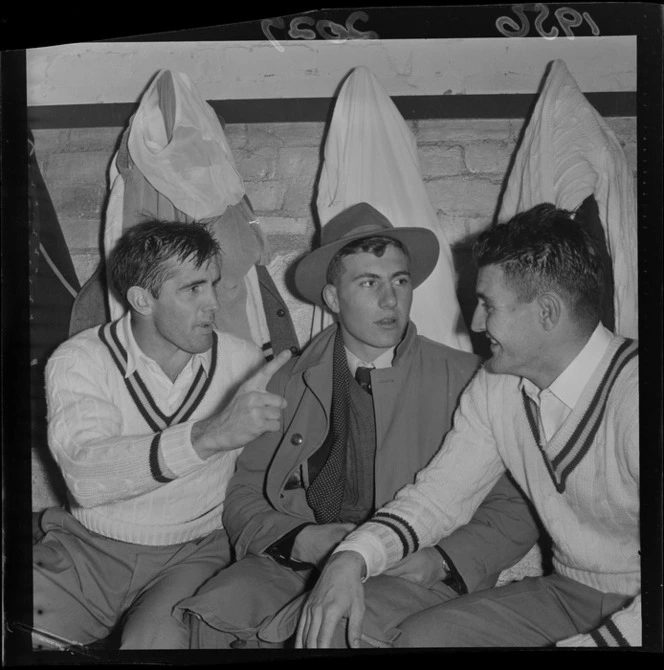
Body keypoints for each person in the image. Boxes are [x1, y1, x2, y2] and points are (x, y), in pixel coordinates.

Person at [175, 201, 541, 648]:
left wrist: (444, 560)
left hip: (413, 570)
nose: (391, 300)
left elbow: (517, 507)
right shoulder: (285, 380)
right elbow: (243, 493)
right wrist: (299, 540)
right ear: (332, 298)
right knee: (212, 615)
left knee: (335, 632)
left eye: (400, 281)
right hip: (297, 564)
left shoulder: (470, 378)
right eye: (369, 282)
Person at [296, 202, 641, 649]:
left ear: (548, 312)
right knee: (417, 640)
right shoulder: (497, 387)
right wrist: (351, 558)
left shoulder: (637, 396)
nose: (473, 322)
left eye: (487, 305)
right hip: (571, 591)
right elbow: (439, 499)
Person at [32, 220, 291, 650]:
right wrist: (208, 436)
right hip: (89, 550)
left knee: (153, 647)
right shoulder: (80, 358)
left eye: (213, 284)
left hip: (193, 554)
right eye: (192, 289)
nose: (213, 302)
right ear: (141, 299)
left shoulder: (244, 360)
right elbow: (86, 473)